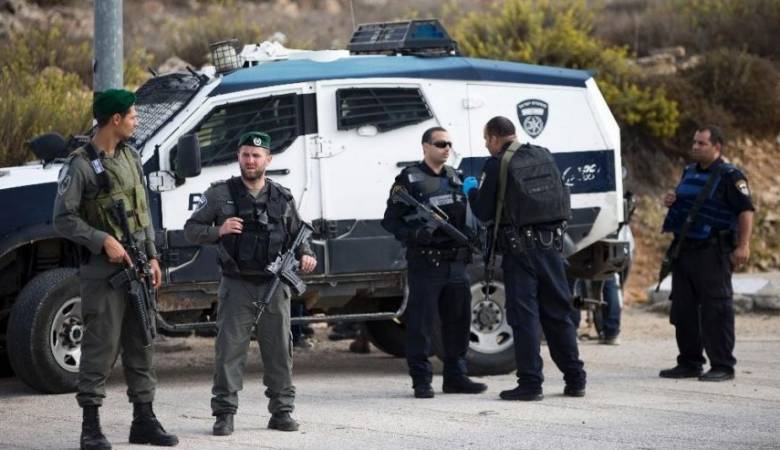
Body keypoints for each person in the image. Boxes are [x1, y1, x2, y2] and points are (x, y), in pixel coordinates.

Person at [53, 89, 178, 450]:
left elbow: (143, 212)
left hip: (137, 267)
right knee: (99, 348)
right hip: (103, 274)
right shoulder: (79, 165)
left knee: (142, 343)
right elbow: (63, 218)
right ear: (115, 119)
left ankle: (144, 421)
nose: (136, 121)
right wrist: (101, 239)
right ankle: (90, 427)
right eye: (132, 115)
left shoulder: (130, 156)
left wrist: (152, 256)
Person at [183, 131, 317, 434]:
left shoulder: (281, 196)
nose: (251, 160)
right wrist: (218, 230)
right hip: (237, 285)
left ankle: (282, 411)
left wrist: (307, 255)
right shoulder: (219, 194)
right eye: (245, 155)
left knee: (279, 350)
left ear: (268, 159)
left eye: (257, 155)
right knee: (229, 351)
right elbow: (191, 229)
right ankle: (224, 413)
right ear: (238, 157)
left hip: (274, 285)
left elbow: (298, 234)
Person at [465, 116, 586, 401]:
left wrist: (471, 191)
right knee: (558, 313)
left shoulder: (496, 164)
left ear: (495, 138)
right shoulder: (542, 154)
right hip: (552, 248)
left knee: (524, 318)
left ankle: (530, 383)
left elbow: (483, 211)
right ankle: (575, 379)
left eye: (486, 140)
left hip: (520, 252)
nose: (486, 145)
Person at [381, 126, 487, 399]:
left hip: (457, 263)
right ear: (425, 147)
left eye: (449, 144)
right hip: (427, 263)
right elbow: (390, 221)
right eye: (440, 144)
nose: (446, 148)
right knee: (422, 324)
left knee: (459, 322)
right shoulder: (409, 180)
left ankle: (456, 376)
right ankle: (421, 380)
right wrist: (416, 234)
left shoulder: (456, 177)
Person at [659, 125, 753, 382]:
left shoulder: (730, 176)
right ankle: (690, 362)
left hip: (713, 252)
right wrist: (672, 200)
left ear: (716, 147)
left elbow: (746, 211)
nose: (695, 147)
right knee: (683, 310)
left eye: (702, 143)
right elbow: (689, 202)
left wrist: (743, 245)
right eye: (694, 142)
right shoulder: (689, 172)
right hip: (685, 250)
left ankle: (723, 365)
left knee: (716, 310)